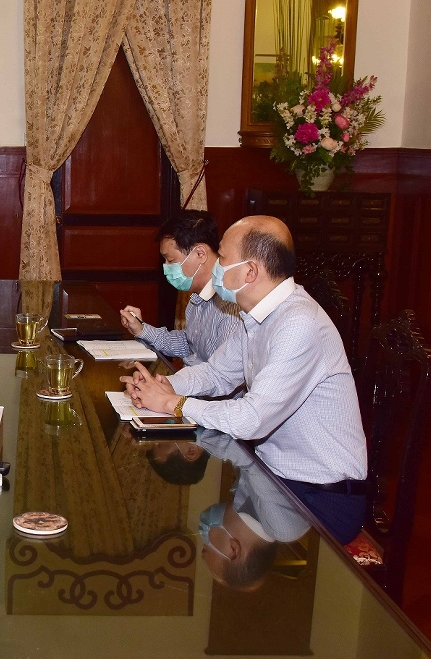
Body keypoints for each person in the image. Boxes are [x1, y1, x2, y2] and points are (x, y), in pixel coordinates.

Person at [123, 216, 368, 544]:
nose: (216, 266)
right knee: (193, 523)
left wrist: (173, 403)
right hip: (274, 475)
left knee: (204, 534)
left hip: (320, 497)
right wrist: (164, 386)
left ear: (250, 271)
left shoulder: (298, 323)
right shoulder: (257, 315)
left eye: (223, 258)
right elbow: (218, 373)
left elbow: (252, 419)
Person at [119, 210, 241, 366]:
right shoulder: (197, 297)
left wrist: (169, 380)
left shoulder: (231, 304)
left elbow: (223, 373)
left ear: (200, 254)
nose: (166, 267)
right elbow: (188, 344)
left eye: (171, 260)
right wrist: (141, 329)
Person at [194, 429, 311, 590]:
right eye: (206, 547)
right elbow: (250, 458)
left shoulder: (242, 497)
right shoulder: (285, 529)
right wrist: (189, 434)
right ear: (234, 550)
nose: (203, 534)